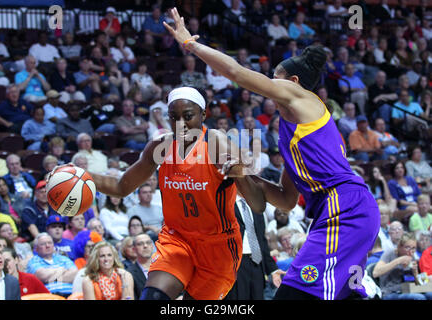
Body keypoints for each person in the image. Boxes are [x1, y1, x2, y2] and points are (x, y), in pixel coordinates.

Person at [163, 8, 380, 300]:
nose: (267, 84)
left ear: (292, 82)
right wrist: (242, 174)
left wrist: (190, 44)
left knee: (293, 294)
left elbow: (237, 72)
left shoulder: (304, 99)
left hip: (346, 206)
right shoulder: (293, 137)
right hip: (337, 209)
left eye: (273, 79)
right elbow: (286, 200)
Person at [52, 85, 262, 300]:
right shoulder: (159, 148)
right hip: (177, 239)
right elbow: (122, 186)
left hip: (218, 246)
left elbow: (258, 204)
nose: (180, 124)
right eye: (173, 117)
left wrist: (240, 174)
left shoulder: (218, 145)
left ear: (203, 114)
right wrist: (81, 175)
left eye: (188, 116)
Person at [224, 194, 283, 300]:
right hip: (237, 263)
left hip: (257, 262)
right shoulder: (224, 203)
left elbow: (262, 240)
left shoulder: (256, 206)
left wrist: (272, 270)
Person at [373, 233, 432, 300]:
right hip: (391, 291)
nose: (410, 251)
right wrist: (398, 260)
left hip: (408, 288)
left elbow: (422, 284)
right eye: (407, 247)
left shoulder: (413, 257)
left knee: (430, 293)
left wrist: (415, 272)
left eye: (413, 248)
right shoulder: (390, 253)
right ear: (399, 246)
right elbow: (375, 273)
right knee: (419, 297)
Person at [26, 232, 78, 297]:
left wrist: (51, 278)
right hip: (49, 296)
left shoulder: (63, 258)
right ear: (36, 248)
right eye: (43, 244)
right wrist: (63, 270)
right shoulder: (33, 261)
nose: (47, 246)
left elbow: (75, 274)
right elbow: (43, 276)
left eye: (50, 243)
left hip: (71, 294)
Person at [125, 233, 154, 299]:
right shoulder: (129, 273)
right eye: (140, 244)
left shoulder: (163, 267)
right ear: (134, 249)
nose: (145, 246)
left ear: (152, 246)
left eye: (148, 242)